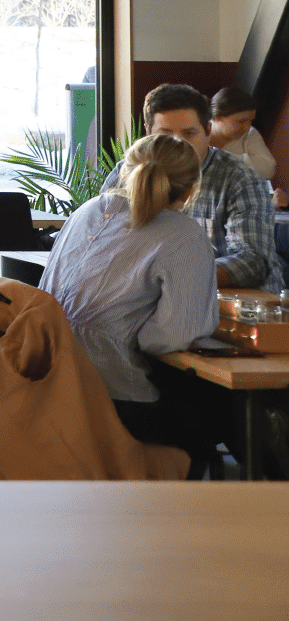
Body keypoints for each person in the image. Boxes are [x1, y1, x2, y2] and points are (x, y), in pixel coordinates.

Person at [40, 134, 221, 468]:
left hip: (49, 383)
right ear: (191, 190)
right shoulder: (185, 235)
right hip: (115, 398)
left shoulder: (87, 210)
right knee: (214, 419)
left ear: (125, 172)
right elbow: (170, 336)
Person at [104, 84, 278, 292]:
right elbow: (103, 237)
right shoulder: (127, 171)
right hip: (153, 294)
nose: (179, 144)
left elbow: (252, 262)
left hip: (238, 301)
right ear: (149, 132)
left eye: (189, 133)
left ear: (208, 131)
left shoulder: (240, 179)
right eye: (165, 134)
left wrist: (169, 273)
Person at [209, 86, 282, 202]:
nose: (247, 128)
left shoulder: (250, 134)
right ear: (218, 117)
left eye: (250, 121)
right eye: (241, 121)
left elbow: (268, 170)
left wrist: (219, 156)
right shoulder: (195, 135)